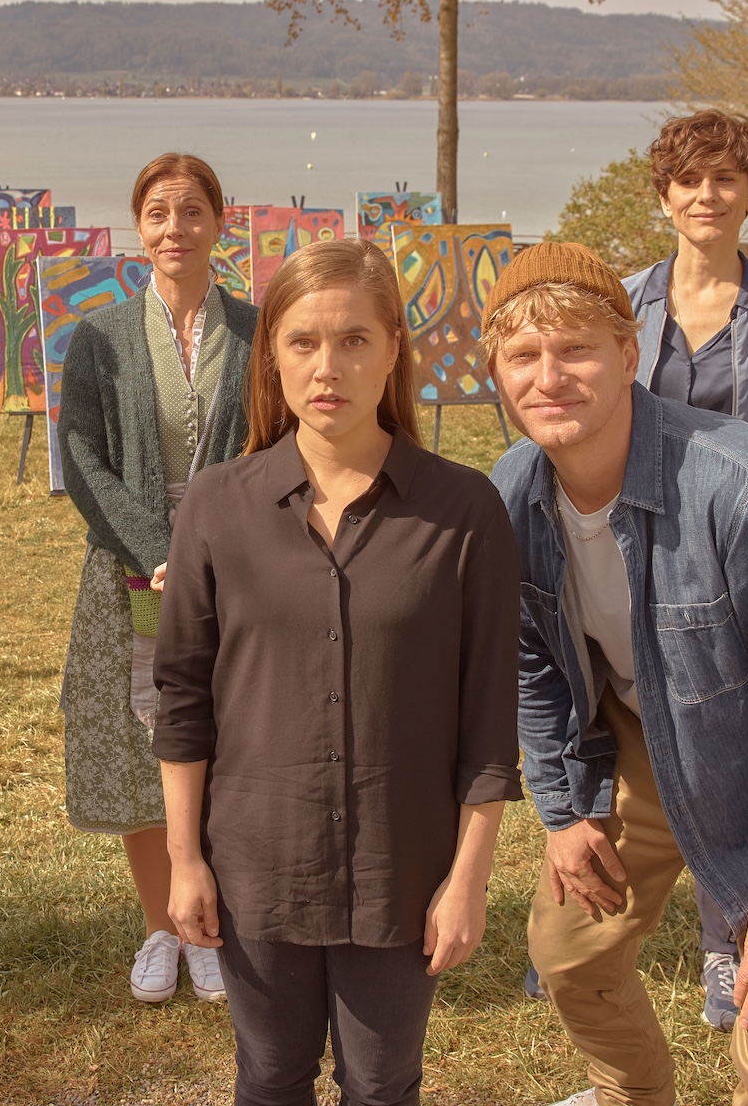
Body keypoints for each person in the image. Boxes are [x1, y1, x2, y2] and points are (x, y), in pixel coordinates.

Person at [484, 243, 748, 1106]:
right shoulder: (513, 492)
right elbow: (531, 659)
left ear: (629, 353)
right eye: (523, 355)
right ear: (497, 372)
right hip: (639, 745)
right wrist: (564, 810)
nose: (549, 378)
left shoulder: (745, 488)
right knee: (568, 956)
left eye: (576, 349)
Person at [157, 239, 522, 1106]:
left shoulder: (465, 511)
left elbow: (488, 720)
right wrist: (184, 859)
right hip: (256, 863)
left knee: (383, 1085)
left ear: (394, 348)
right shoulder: (216, 504)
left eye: (355, 340)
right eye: (304, 342)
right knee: (269, 1078)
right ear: (272, 357)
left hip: (403, 867)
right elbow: (182, 700)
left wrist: (468, 879)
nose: (329, 367)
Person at [523, 110, 748, 1027]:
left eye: (726, 179)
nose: (707, 196)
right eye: (690, 180)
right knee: (629, 739)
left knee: (734, 753)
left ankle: (727, 941)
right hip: (631, 550)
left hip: (737, 552)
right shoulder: (624, 304)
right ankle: (580, 927)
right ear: (664, 196)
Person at [56, 153, 253, 1005]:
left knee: (230, 739)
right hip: (129, 567)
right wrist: (152, 546)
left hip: (239, 563)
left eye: (193, 211)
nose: (177, 228)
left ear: (220, 221)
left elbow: (275, 447)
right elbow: (81, 456)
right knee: (145, 745)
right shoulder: (100, 336)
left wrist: (217, 545)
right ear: (139, 228)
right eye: (159, 213)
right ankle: (160, 926)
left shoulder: (257, 331)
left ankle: (211, 923)